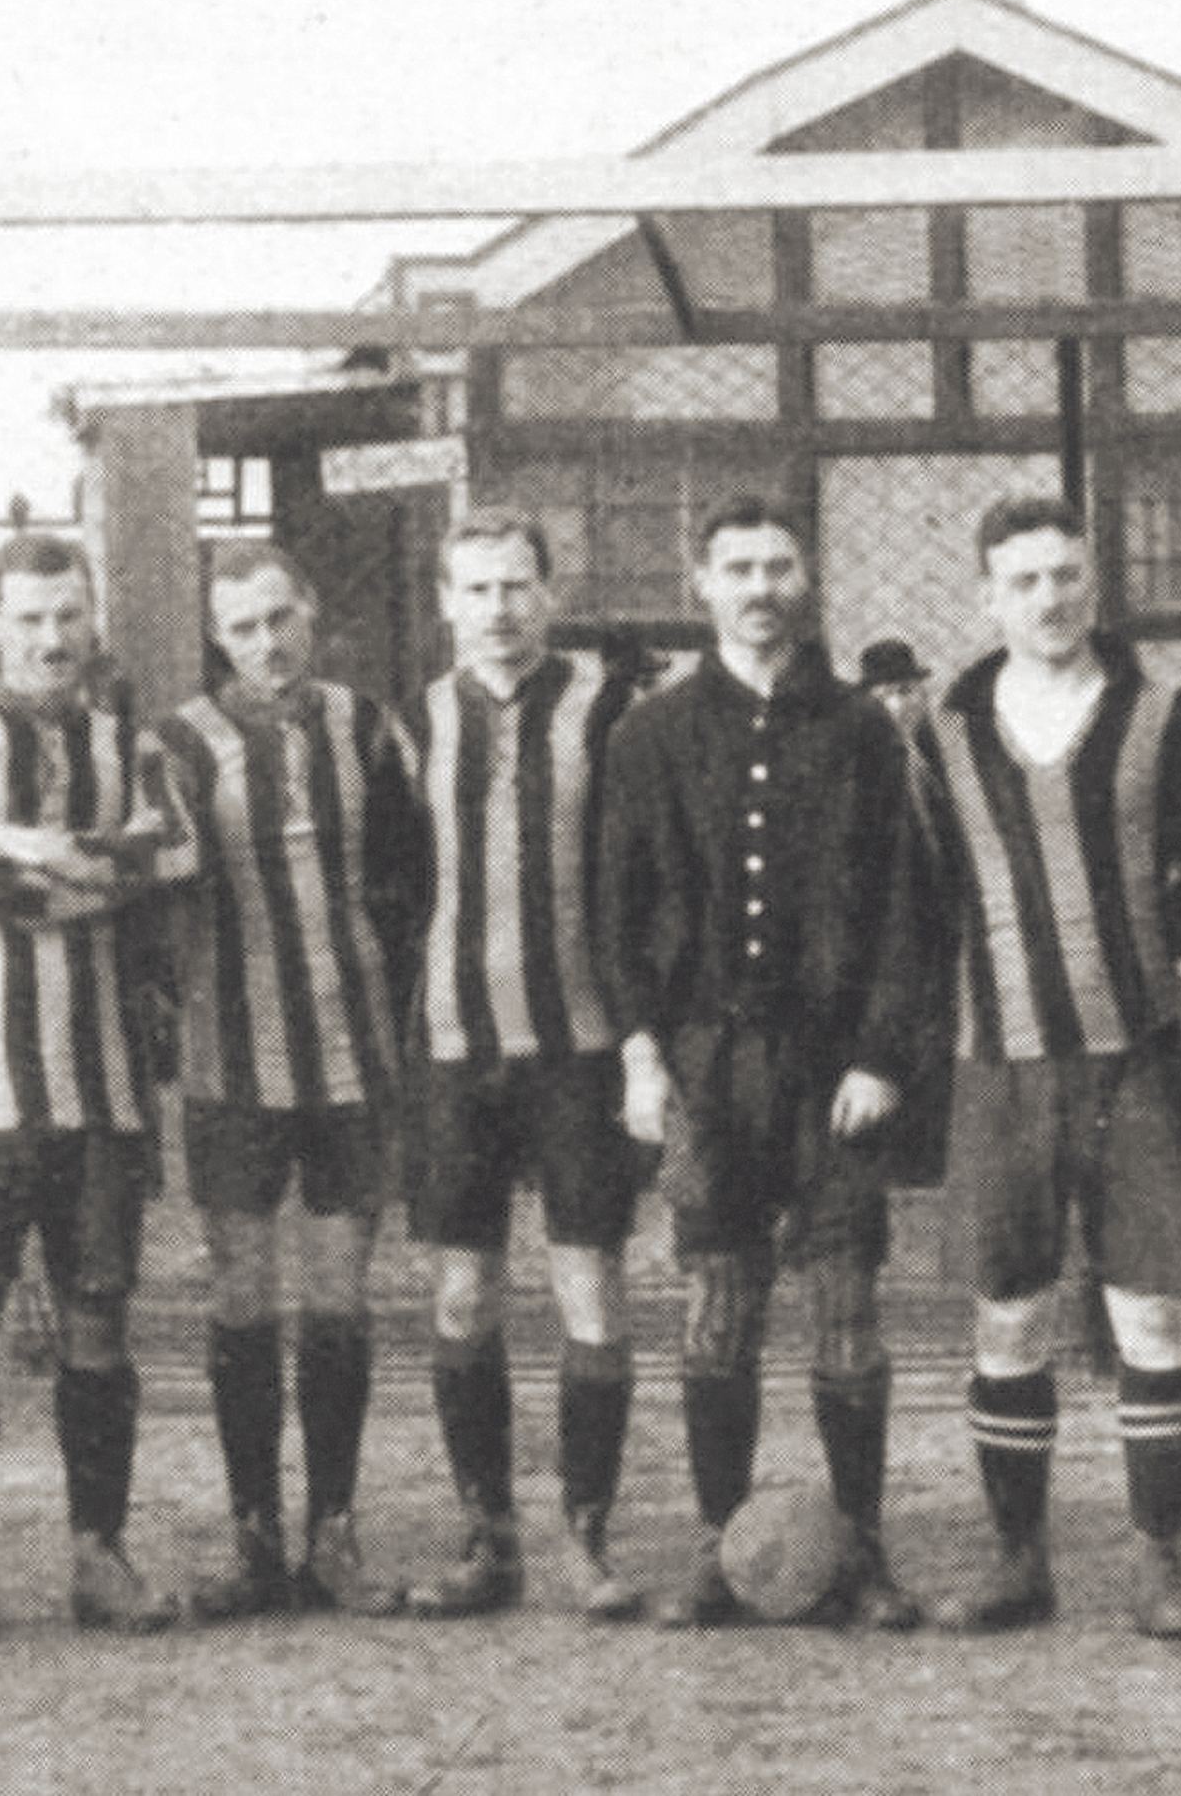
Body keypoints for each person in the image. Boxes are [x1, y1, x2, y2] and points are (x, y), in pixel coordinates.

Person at [599, 494, 941, 1631]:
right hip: (707, 1062)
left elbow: (905, 910)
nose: (760, 588)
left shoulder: (860, 732)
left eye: (779, 566)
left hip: (833, 1066)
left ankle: (867, 1547)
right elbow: (617, 911)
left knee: (845, 1302)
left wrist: (881, 1054)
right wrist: (644, 1055)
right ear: (701, 583)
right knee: (718, 1302)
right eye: (738, 567)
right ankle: (720, 1544)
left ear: (806, 580)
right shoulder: (651, 734)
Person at [910, 497, 1181, 1640]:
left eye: (1068, 575)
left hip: (1136, 1061)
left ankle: (1158, 1561)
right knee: (1009, 1321)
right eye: (1025, 580)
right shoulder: (941, 731)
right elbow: (929, 894)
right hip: (1001, 1065)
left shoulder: (1169, 717)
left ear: (1096, 583)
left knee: (1153, 1320)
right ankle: (1017, 1561)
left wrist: (1137, 963)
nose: (1050, 598)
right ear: (987, 596)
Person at [0, 533, 177, 1644]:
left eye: (69, 615)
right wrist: (95, 865)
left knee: (99, 1324)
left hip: (101, 1088)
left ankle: (98, 1556)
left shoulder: (130, 741)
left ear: (92, 618)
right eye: (30, 618)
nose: (52, 638)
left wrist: (30, 847)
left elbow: (170, 855)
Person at [147, 541, 431, 1623]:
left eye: (280, 618)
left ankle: (334, 1531)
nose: (265, 644)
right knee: (240, 1295)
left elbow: (412, 876)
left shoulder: (367, 726)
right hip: (231, 1061)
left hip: (354, 1054)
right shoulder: (178, 741)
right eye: (242, 628)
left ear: (311, 611)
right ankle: (255, 1536)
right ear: (217, 637)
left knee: (341, 1295)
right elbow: (157, 896)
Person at [403, 510, 648, 1620]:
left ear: (550, 593)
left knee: (589, 1282)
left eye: (516, 586)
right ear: (445, 604)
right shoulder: (415, 722)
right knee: (462, 1289)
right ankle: (486, 1537)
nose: (497, 609)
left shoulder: (607, 709)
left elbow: (641, 879)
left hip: (579, 1047)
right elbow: (395, 884)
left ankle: (586, 1537)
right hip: (456, 1046)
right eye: (476, 589)